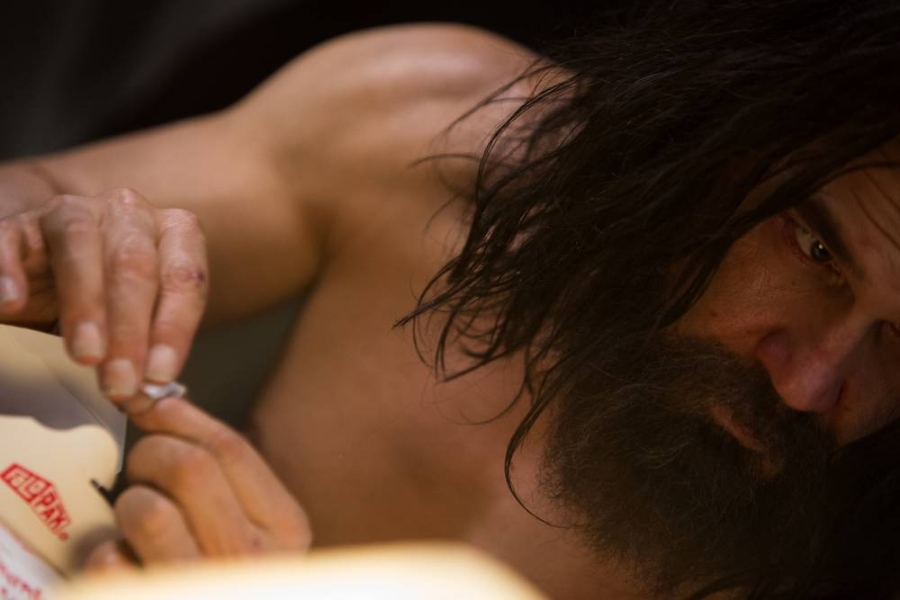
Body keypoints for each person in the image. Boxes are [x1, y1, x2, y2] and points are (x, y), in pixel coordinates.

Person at [1, 1, 899, 598]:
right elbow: (33, 190)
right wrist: (52, 243)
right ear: (730, 138)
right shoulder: (445, 129)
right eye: (817, 251)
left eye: (898, 339)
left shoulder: (861, 546)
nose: (810, 386)